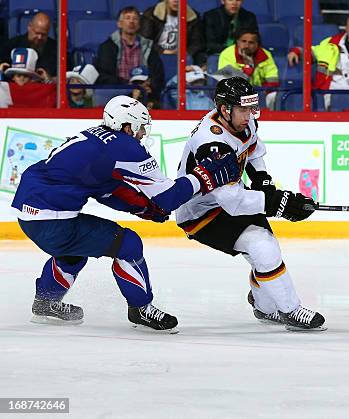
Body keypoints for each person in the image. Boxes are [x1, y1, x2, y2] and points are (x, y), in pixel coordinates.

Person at [11, 95, 240, 333]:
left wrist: (143, 207)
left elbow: (105, 189)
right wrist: (204, 177)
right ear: (126, 126)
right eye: (140, 127)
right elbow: (169, 197)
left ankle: (45, 303)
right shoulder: (126, 146)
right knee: (128, 244)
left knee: (73, 252)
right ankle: (141, 308)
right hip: (53, 220)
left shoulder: (95, 136)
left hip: (29, 214)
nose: (142, 134)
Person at [175, 77, 326, 331]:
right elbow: (232, 201)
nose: (250, 115)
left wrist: (263, 181)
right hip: (201, 213)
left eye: (251, 108)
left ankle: (264, 307)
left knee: (268, 250)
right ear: (225, 109)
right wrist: (279, 203)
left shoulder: (241, 120)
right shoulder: (212, 144)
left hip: (229, 200)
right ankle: (290, 310)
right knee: (263, 248)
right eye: (244, 109)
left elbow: (253, 150)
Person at [287, 14, 349, 91]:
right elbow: (310, 52)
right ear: (346, 28)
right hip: (331, 93)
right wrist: (295, 52)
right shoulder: (330, 44)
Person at [95, 6, 165, 103]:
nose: (131, 21)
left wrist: (148, 87)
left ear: (139, 24)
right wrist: (127, 86)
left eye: (135, 18)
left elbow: (158, 75)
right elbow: (103, 75)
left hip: (144, 96)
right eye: (127, 18)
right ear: (119, 24)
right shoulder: (107, 47)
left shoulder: (149, 47)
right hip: (116, 95)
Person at [141, 0, 207, 68]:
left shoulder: (193, 16)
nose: (176, 1)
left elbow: (197, 43)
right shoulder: (151, 14)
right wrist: (163, 51)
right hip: (157, 56)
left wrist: (184, 53)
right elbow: (146, 42)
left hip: (183, 58)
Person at [0, 12, 57, 79]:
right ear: (29, 27)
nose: (39, 37)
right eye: (37, 33)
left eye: (44, 34)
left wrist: (50, 79)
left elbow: (66, 76)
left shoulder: (57, 48)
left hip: (46, 87)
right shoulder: (11, 46)